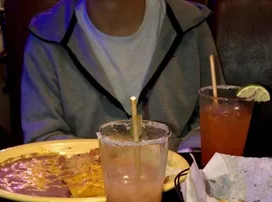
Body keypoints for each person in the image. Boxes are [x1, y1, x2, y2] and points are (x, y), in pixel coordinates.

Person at [21, 0, 224, 151]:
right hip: (80, 198)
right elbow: (43, 139)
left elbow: (214, 119)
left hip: (180, 191)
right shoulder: (47, 37)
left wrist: (181, 161)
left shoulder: (190, 24)